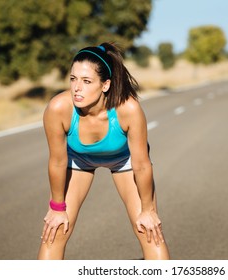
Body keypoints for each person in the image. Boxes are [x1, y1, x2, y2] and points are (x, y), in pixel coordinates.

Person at [37, 42, 170, 260]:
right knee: (56, 230)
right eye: (73, 79)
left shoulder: (128, 109)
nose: (77, 88)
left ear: (105, 85)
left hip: (124, 160)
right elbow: (57, 162)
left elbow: (142, 164)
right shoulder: (58, 108)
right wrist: (57, 208)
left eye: (87, 81)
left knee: (148, 231)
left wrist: (148, 210)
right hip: (78, 160)